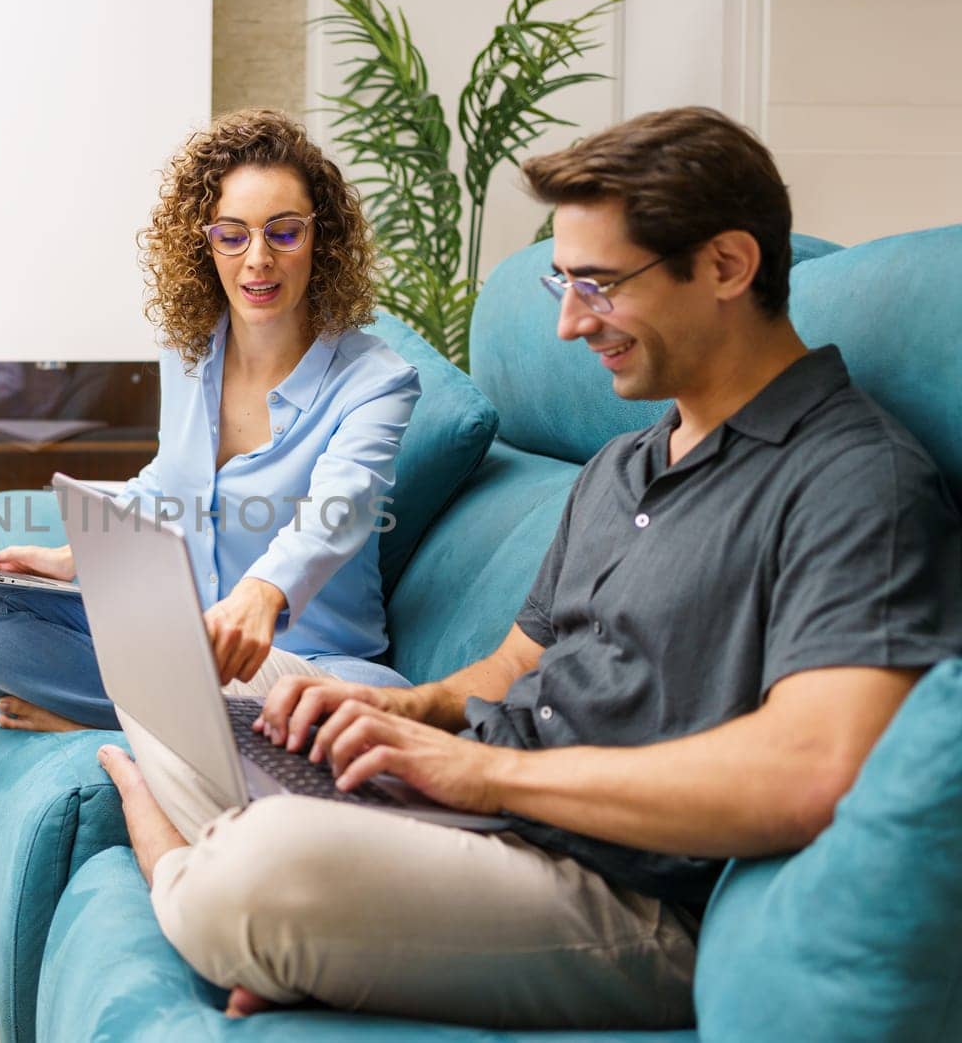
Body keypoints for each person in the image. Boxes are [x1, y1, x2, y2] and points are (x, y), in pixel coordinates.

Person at [96, 106, 962, 1029]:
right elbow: (512, 670)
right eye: (562, 281)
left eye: (598, 284)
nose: (565, 324)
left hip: (627, 891)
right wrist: (397, 710)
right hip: (495, 809)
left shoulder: (854, 480)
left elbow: (812, 769)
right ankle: (261, 899)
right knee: (210, 679)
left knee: (260, 867)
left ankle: (176, 853)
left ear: (727, 265)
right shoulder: (624, 464)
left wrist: (478, 777)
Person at [0, 109, 423, 732]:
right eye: (232, 234)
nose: (258, 258)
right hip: (178, 640)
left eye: (285, 232)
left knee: (371, 697)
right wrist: (74, 556)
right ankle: (186, 723)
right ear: (205, 243)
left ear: (320, 239)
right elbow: (169, 481)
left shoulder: (377, 381)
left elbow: (343, 505)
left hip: (310, 662)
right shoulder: (189, 354)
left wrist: (262, 593)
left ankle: (124, 718)